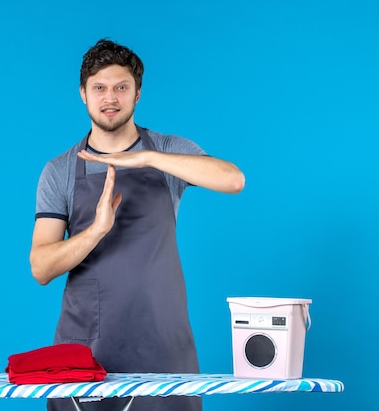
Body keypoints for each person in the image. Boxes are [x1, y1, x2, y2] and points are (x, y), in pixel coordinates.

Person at [30, 39, 245, 411]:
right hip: (87, 354)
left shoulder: (166, 150)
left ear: (137, 94)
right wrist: (96, 230)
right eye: (99, 87)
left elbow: (233, 179)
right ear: (83, 93)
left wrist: (147, 158)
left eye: (121, 87)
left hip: (163, 346)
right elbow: (41, 268)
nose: (110, 97)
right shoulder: (60, 170)